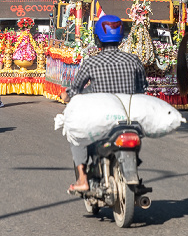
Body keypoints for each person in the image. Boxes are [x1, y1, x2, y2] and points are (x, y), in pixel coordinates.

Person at [59, 15, 148, 192]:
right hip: (129, 121)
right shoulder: (134, 60)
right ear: (121, 37)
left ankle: (82, 179)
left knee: (75, 136)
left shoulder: (91, 62)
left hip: (101, 120)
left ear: (97, 37)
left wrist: (66, 96)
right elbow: (142, 88)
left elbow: (75, 89)